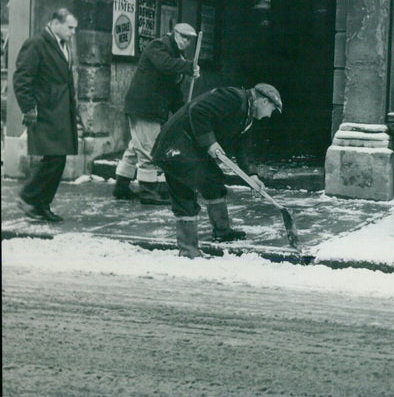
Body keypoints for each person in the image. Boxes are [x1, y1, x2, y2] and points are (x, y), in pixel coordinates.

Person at [152, 83, 283, 258]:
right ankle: (188, 249)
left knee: (214, 182)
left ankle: (223, 232)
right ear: (264, 101)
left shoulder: (247, 115)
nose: (269, 115)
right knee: (184, 195)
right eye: (272, 110)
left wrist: (252, 175)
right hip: (176, 146)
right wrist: (210, 142)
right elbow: (198, 111)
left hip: (192, 148)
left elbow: (243, 148)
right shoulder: (233, 97)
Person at [112, 23, 199, 205]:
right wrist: (188, 67)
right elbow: (164, 65)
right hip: (144, 106)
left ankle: (121, 186)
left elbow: (174, 91)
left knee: (135, 147)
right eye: (183, 37)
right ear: (174, 33)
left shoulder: (178, 56)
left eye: (190, 39)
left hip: (154, 109)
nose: (186, 42)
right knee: (149, 148)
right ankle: (149, 192)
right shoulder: (158, 46)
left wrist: (183, 112)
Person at [13, 8, 81, 222]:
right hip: (44, 111)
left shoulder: (63, 45)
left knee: (58, 159)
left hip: (60, 111)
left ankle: (41, 204)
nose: (73, 32)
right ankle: (28, 197)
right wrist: (29, 108)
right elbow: (22, 79)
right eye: (70, 28)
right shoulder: (36, 43)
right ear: (55, 23)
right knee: (53, 158)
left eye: (74, 28)